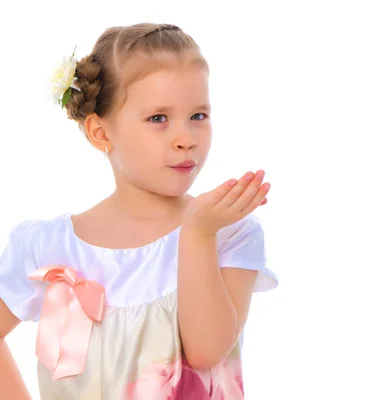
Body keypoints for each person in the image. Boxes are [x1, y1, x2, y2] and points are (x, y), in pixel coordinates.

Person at [0, 23, 278, 399]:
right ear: (101, 133)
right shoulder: (46, 246)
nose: (186, 140)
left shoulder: (228, 233)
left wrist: (197, 232)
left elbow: (207, 352)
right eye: (158, 119)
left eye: (198, 116)